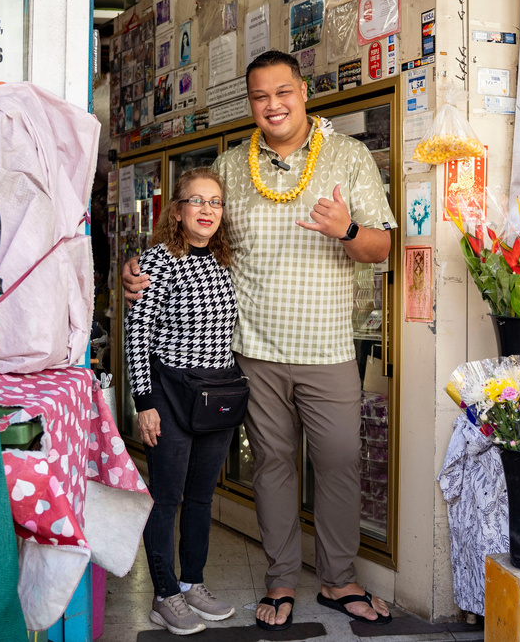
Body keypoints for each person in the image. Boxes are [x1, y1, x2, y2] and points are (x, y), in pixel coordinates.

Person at [124, 50, 396, 630]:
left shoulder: (348, 158)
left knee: (341, 460)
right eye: (260, 97)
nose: (272, 105)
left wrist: (344, 229)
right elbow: (190, 232)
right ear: (251, 103)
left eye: (283, 93)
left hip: (327, 345)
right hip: (248, 349)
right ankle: (279, 581)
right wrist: (138, 272)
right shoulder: (228, 167)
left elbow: (382, 248)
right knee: (272, 463)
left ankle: (339, 579)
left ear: (303, 92)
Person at [125, 167, 239, 636]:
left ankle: (193, 584)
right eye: (197, 201)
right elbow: (138, 335)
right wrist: (144, 402)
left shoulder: (224, 261)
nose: (207, 210)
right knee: (166, 497)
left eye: (215, 202)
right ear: (177, 211)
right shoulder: (157, 262)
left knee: (200, 497)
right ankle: (164, 594)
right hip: (170, 394)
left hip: (216, 396)